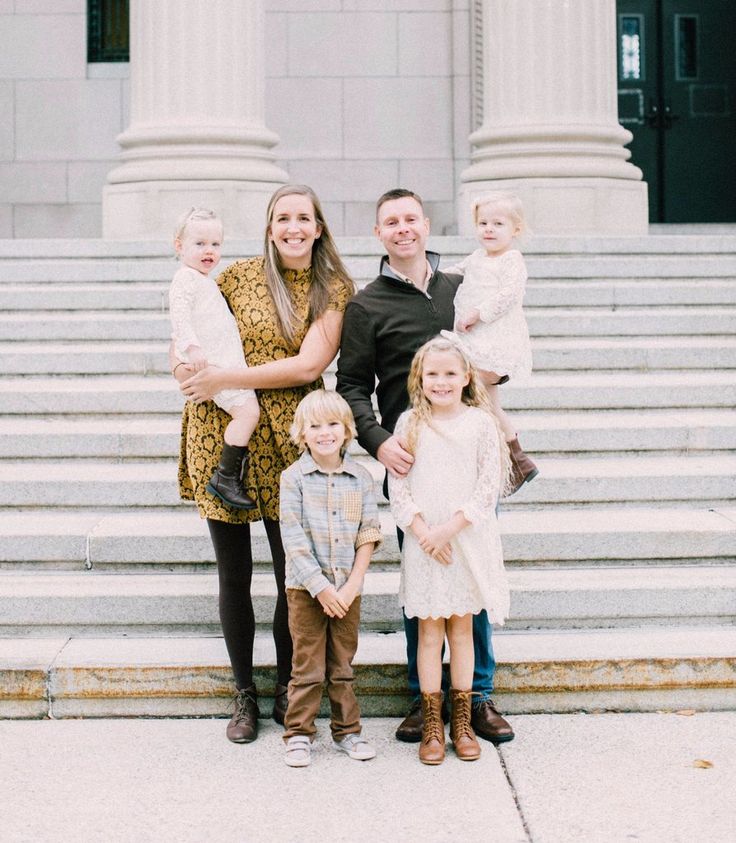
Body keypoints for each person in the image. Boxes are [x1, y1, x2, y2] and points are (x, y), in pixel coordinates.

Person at [172, 185, 355, 744]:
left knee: (289, 571)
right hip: (223, 429)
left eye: (304, 218)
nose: (293, 227)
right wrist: (185, 367)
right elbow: (193, 328)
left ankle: (287, 687)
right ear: (270, 227)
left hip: (294, 439)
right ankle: (244, 694)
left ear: (318, 227)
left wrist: (226, 378)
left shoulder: (333, 288)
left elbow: (308, 367)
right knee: (234, 571)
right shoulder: (235, 275)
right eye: (283, 218)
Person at [336, 188, 515, 745]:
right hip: (411, 463)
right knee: (428, 579)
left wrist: (493, 385)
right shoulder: (366, 305)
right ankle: (424, 700)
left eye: (411, 218)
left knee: (471, 575)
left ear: (427, 224)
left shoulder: (459, 289)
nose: (403, 228)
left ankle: (476, 698)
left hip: (466, 456)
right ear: (379, 234)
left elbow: (495, 346)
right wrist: (378, 441)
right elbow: (350, 386)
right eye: (391, 221)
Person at [389, 336, 511, 764]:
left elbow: (487, 488)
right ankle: (432, 725)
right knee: (428, 634)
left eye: (450, 373)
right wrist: (424, 532)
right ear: (419, 378)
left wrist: (449, 531)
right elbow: (398, 487)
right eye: (432, 374)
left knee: (462, 632)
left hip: (464, 543)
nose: (441, 381)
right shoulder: (409, 424)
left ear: (466, 378)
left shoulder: (480, 424)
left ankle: (461, 722)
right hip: (425, 545)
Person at [279, 389, 382, 768]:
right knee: (307, 666)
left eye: (333, 424)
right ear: (302, 433)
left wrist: (352, 584)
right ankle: (299, 734)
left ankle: (348, 732)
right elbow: (292, 537)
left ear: (347, 429)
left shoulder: (361, 477)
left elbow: (368, 532)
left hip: (347, 588)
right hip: (306, 589)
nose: (325, 432)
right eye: (315, 426)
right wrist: (321, 588)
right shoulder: (293, 478)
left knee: (342, 665)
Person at [442, 191, 537, 491]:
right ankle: (518, 464)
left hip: (496, 342)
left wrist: (477, 313)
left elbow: (508, 295)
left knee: (471, 392)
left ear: (515, 229)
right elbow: (455, 272)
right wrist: (429, 275)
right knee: (489, 404)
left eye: (498, 224)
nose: (489, 230)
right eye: (483, 223)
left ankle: (496, 461)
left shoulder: (512, 259)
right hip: (477, 340)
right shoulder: (477, 257)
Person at [170, 207, 260, 509]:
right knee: (248, 413)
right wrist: (192, 349)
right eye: (199, 244)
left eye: (215, 245)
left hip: (223, 361)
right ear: (179, 246)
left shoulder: (205, 280)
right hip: (210, 363)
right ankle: (226, 476)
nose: (208, 251)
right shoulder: (185, 279)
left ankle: (229, 473)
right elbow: (179, 317)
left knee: (247, 413)